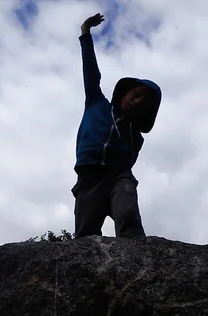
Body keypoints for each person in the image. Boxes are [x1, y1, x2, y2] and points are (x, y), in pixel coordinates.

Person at [72, 13, 162, 239]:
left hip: (117, 175)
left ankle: (138, 259)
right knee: (85, 236)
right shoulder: (97, 103)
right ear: (124, 93)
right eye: (137, 94)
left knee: (128, 211)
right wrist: (85, 32)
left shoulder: (135, 138)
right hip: (89, 175)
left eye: (144, 103)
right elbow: (90, 70)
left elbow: (129, 161)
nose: (137, 101)